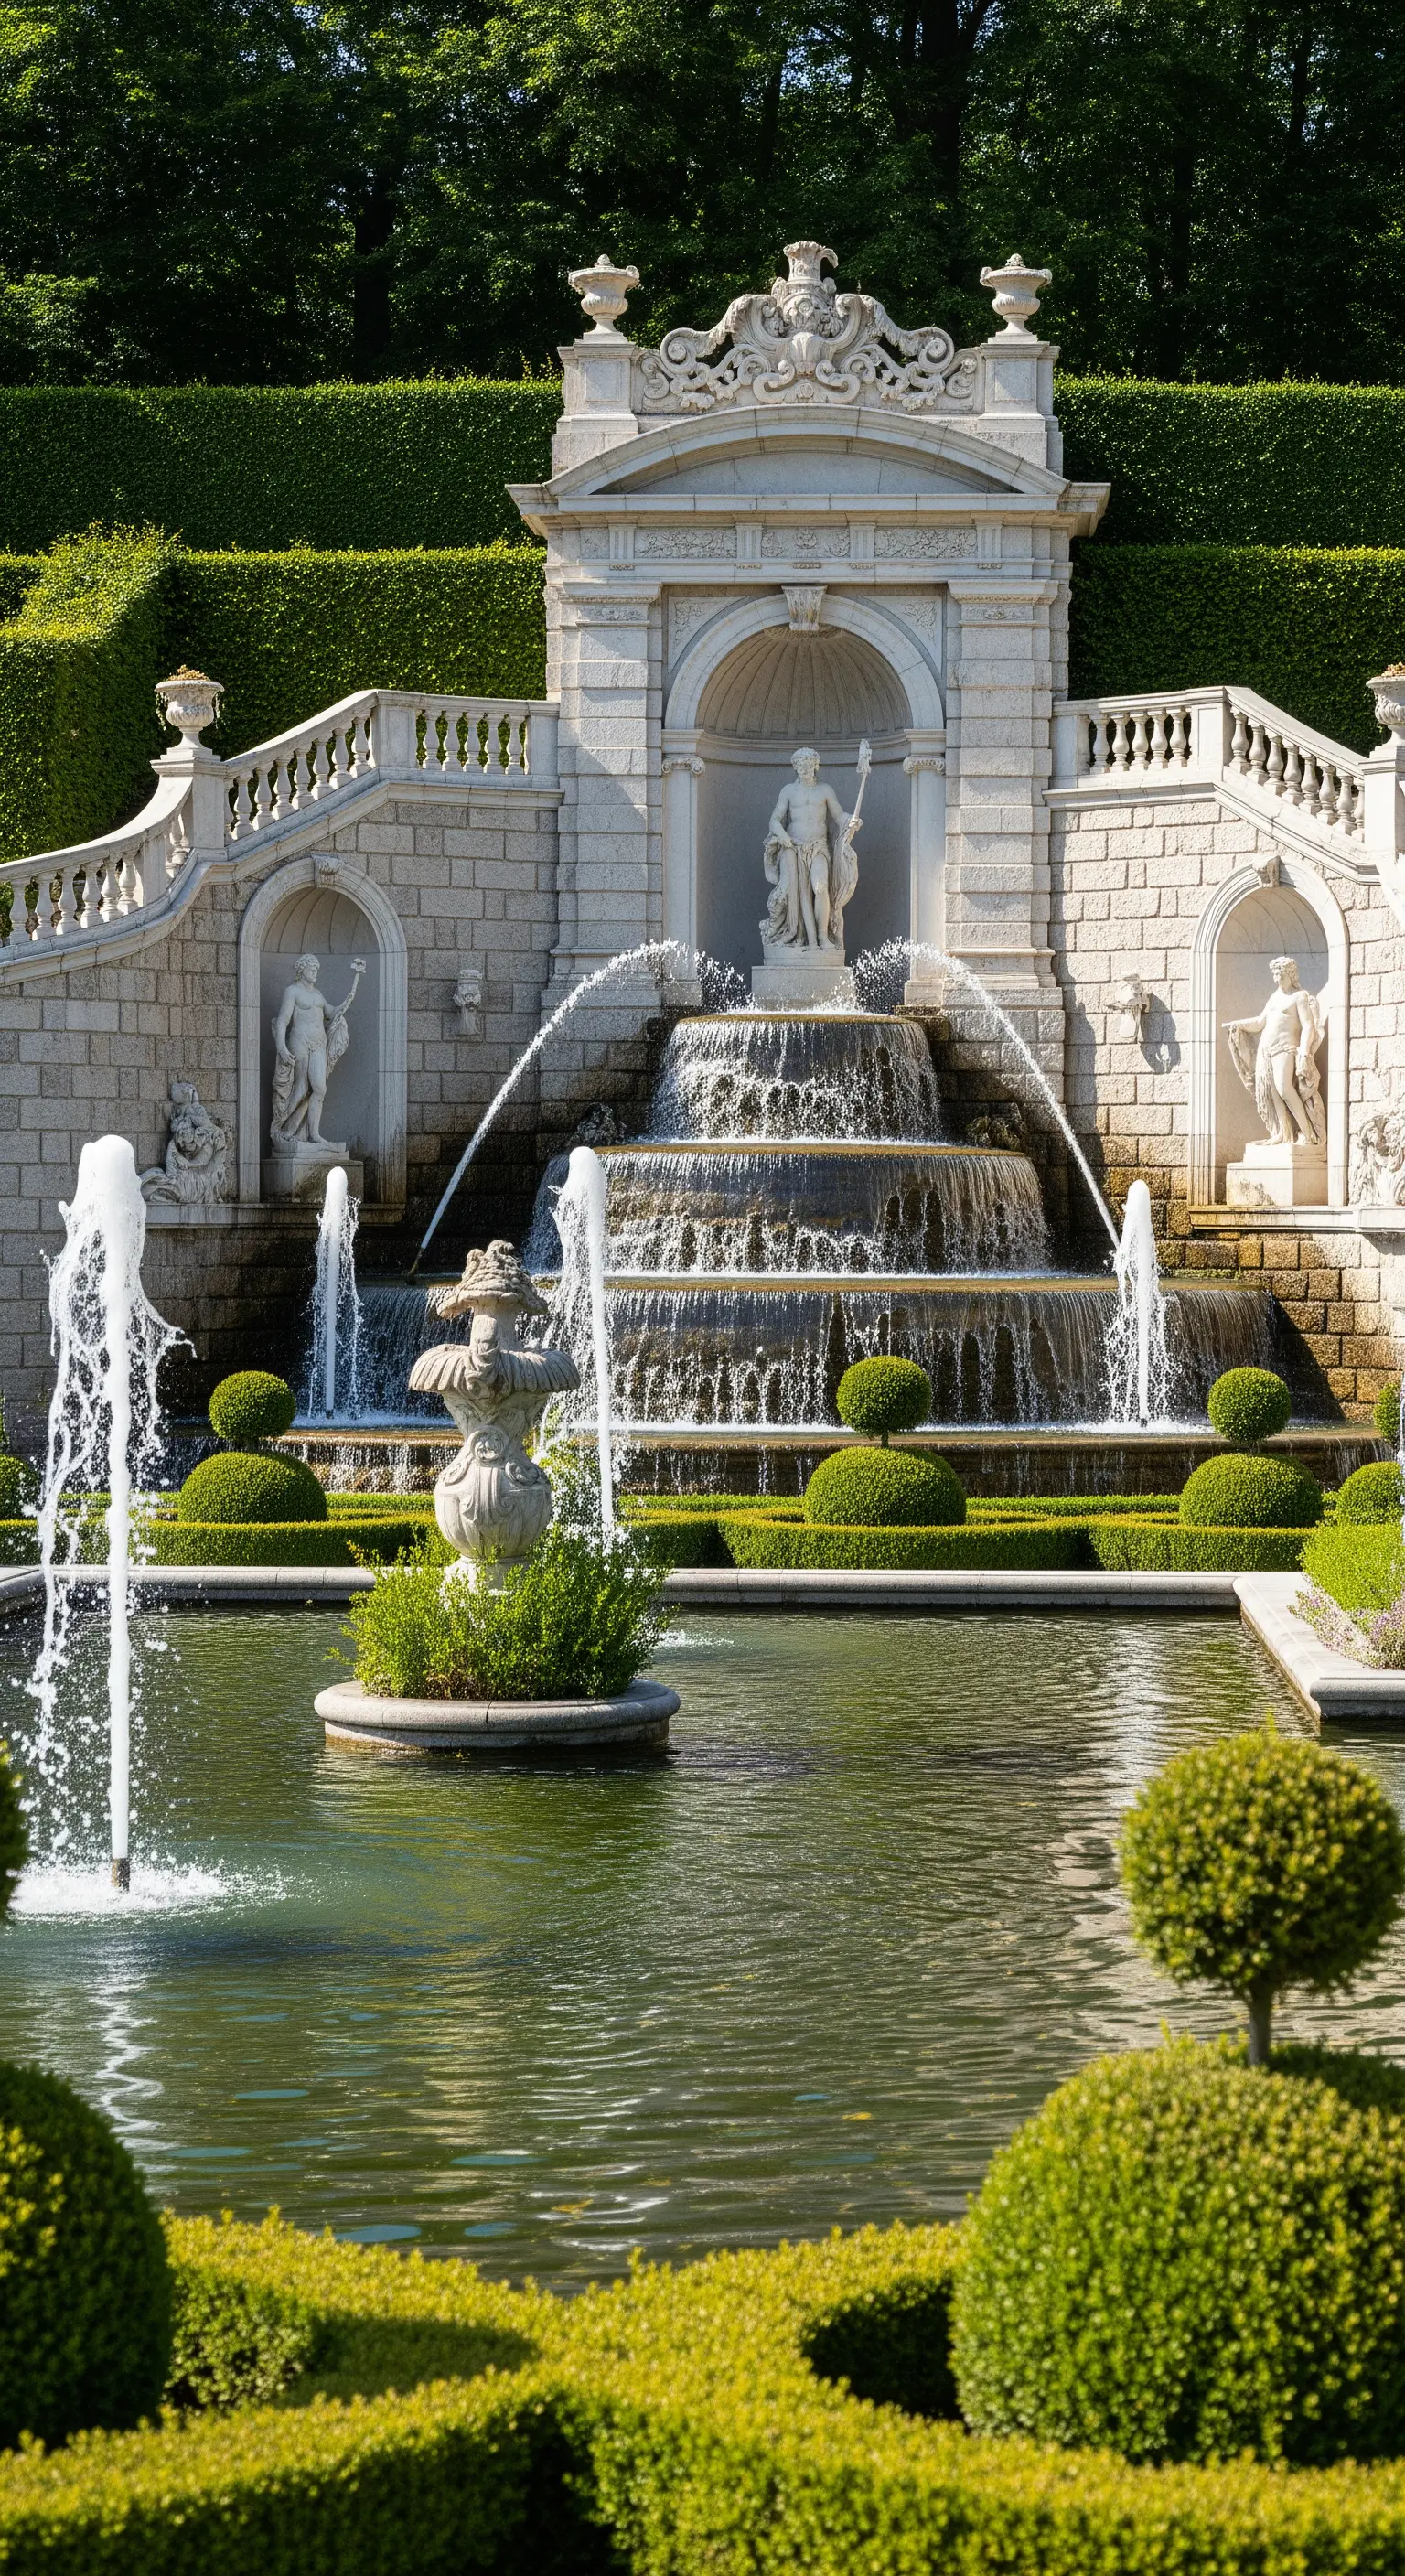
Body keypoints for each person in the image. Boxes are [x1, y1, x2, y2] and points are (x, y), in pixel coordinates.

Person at [761, 747, 862, 953]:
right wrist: (783, 837)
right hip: (793, 846)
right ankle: (802, 937)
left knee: (820, 887)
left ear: (816, 765)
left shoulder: (825, 790)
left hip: (818, 846)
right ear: (795, 767)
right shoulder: (788, 790)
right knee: (794, 892)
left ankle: (823, 938)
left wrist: (850, 820)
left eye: (808, 764)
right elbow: (775, 820)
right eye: (800, 765)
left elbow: (838, 814)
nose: (804, 768)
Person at [1225, 954, 1325, 1148]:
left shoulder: (1299, 997)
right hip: (1266, 1049)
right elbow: (1259, 1022)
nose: (1277, 979)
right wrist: (1238, 1025)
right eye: (1275, 975)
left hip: (1285, 1048)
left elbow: (1308, 1026)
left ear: (1291, 975)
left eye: (1280, 975)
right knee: (1272, 1093)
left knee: (1284, 1088)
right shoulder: (1274, 997)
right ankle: (1283, 1133)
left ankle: (1308, 1134)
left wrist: (1304, 1050)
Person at [270, 951, 365, 1148]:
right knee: (301, 1088)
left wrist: (347, 1000)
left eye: (316, 969)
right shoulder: (292, 991)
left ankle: (314, 1134)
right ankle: (283, 1129)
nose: (315, 972)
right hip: (300, 1041)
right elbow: (282, 1021)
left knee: (319, 1089)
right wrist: (282, 1047)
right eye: (312, 969)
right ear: (302, 969)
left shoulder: (317, 994)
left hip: (319, 1043)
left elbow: (331, 1013)